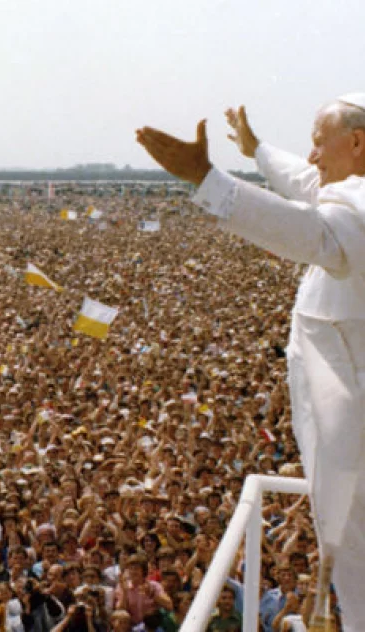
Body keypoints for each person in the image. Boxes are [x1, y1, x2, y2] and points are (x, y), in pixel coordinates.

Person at [136, 93, 365, 629]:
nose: (310, 155)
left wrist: (208, 181)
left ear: (357, 142)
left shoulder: (357, 206)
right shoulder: (348, 189)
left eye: (318, 140)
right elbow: (305, 184)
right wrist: (257, 150)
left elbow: (319, 235)